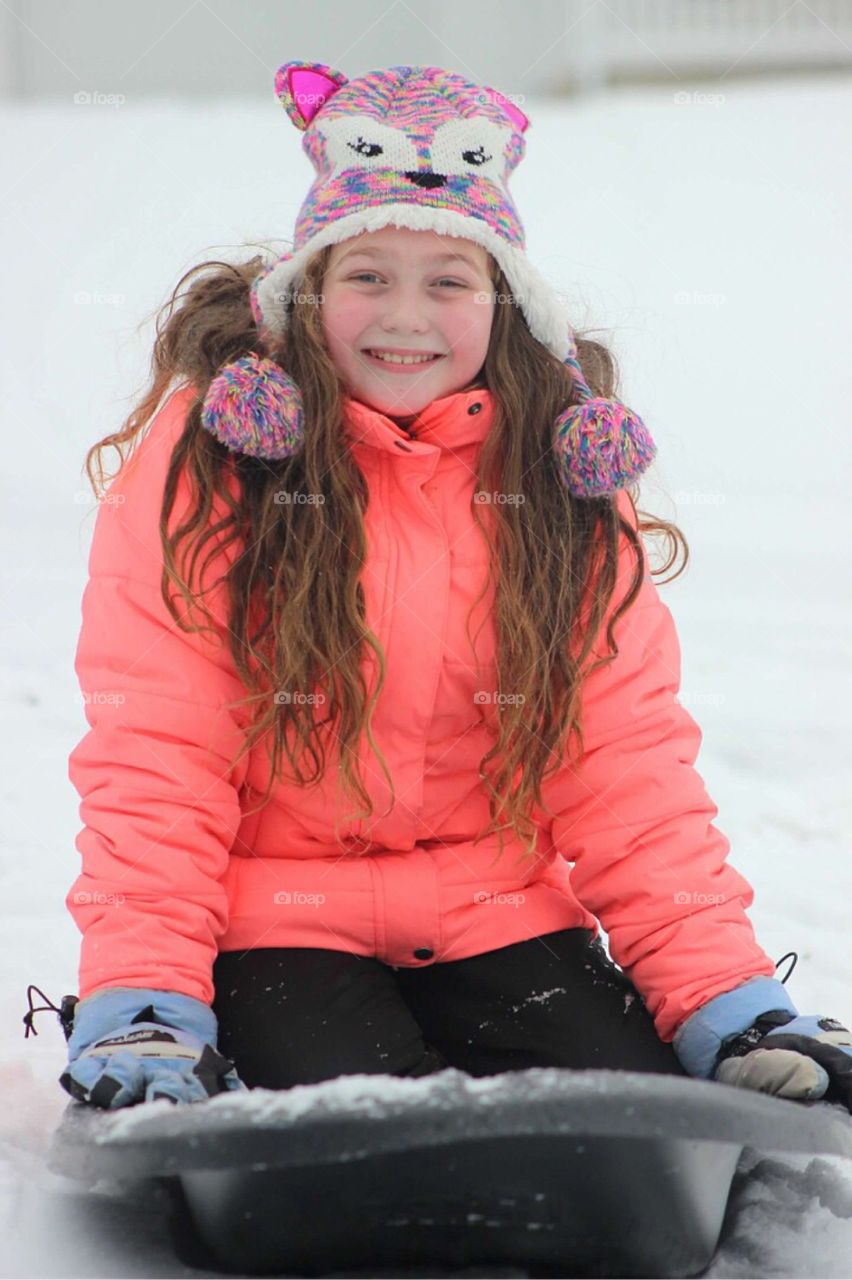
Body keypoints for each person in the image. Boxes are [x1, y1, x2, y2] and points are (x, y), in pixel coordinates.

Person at [57, 60, 852, 1112]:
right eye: (366, 274)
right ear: (305, 291)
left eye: (448, 279)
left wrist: (718, 993)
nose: (406, 315)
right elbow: (158, 751)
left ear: (504, 302)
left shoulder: (560, 472)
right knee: (364, 1131)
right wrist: (147, 992)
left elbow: (623, 761)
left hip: (500, 911)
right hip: (278, 917)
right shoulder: (216, 459)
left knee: (619, 1127)